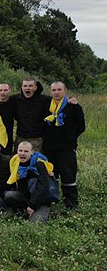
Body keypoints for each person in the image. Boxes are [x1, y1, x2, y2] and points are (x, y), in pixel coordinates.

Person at [42, 81, 85, 209]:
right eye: (54, 90)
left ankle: (71, 205)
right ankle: (51, 201)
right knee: (51, 176)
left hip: (66, 148)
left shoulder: (74, 107)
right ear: (51, 92)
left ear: (65, 90)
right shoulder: (46, 106)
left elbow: (81, 127)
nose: (56, 92)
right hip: (49, 148)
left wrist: (70, 137)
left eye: (59, 89)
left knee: (68, 176)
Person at [4, 141, 56, 221]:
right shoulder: (15, 162)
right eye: (20, 151)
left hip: (41, 200)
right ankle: (23, 212)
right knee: (9, 195)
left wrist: (32, 206)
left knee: (35, 222)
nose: (22, 154)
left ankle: (38, 212)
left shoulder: (39, 164)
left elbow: (44, 188)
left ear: (32, 152)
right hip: (26, 197)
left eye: (26, 151)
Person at [13, 77, 50, 152]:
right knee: (18, 161)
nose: (27, 88)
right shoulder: (16, 98)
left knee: (35, 162)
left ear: (35, 87)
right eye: (25, 86)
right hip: (21, 138)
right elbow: (2, 99)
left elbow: (59, 101)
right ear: (22, 87)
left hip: (37, 140)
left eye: (30, 86)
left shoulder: (45, 100)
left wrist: (70, 99)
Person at [0, 83, 16, 154]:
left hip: (7, 135)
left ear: (9, 91)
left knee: (6, 157)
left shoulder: (13, 102)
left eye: (5, 90)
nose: (3, 92)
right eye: (0, 90)